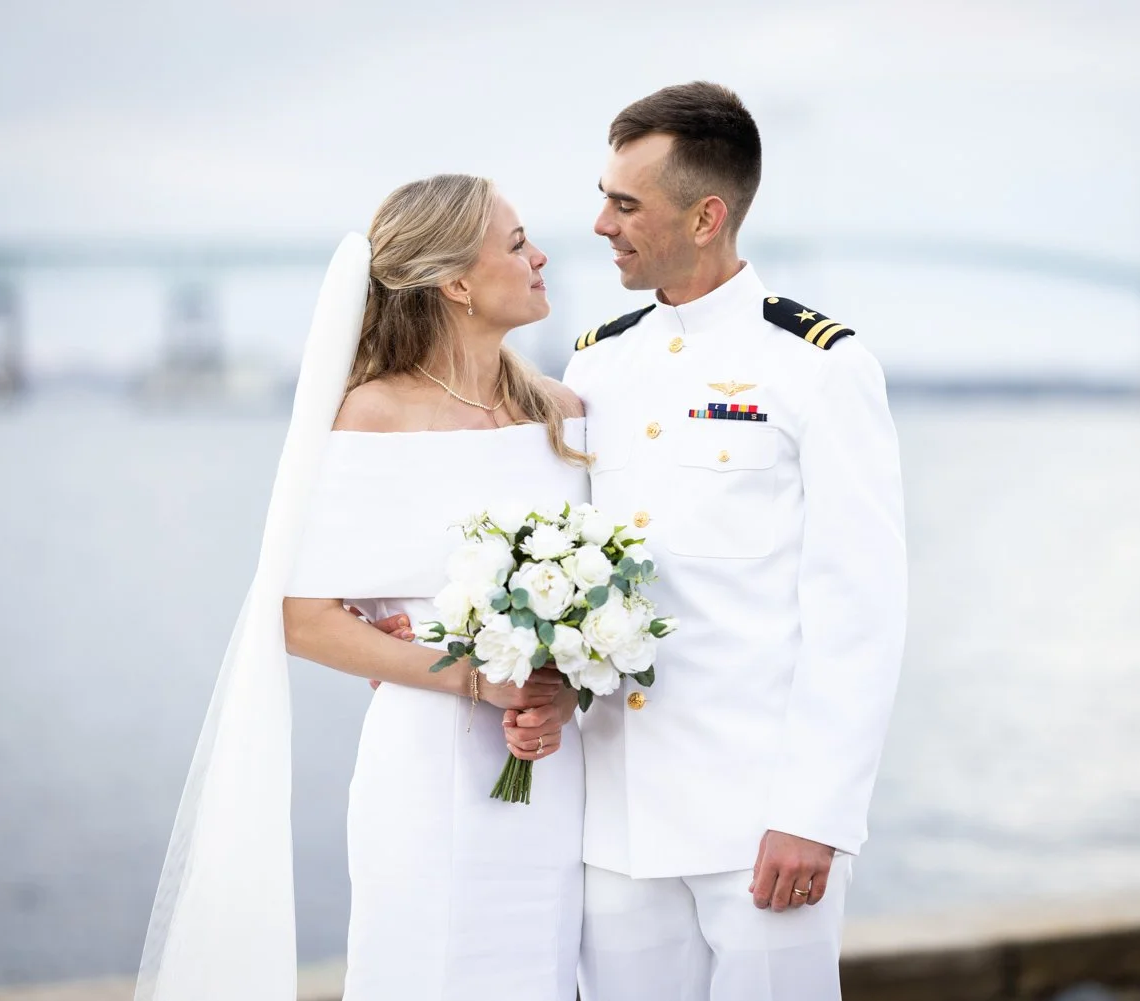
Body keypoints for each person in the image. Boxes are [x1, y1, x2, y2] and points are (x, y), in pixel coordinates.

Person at [136, 174, 588, 1001]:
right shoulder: (372, 416)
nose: (541, 255)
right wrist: (475, 678)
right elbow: (303, 620)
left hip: (556, 765)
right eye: (518, 242)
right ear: (455, 281)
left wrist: (555, 689)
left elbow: (593, 593)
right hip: (427, 763)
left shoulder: (562, 412)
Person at [564, 82, 907, 1001]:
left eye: (626, 204)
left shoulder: (819, 368)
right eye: (604, 196)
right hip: (617, 822)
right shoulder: (596, 362)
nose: (600, 223)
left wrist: (815, 814)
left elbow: (859, 611)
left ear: (707, 215)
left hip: (758, 825)